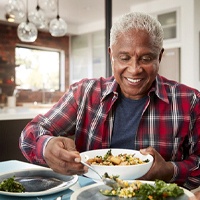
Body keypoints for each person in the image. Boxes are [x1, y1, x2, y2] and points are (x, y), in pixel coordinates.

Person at [19, 12, 200, 191]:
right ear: (111, 54)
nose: (135, 69)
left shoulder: (189, 101)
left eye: (146, 58)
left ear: (159, 56)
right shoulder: (84, 94)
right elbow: (30, 135)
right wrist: (46, 147)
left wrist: (169, 170)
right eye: (124, 58)